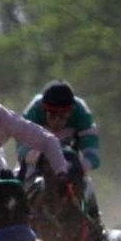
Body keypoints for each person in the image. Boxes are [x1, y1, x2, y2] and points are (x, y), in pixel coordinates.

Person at [19, 79, 103, 228]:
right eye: (52, 114)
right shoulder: (33, 110)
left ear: (71, 111)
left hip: (70, 161)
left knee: (87, 186)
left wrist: (80, 167)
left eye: (64, 115)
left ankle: (97, 226)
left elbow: (94, 155)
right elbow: (22, 150)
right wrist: (43, 159)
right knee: (17, 186)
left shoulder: (81, 111)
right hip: (39, 162)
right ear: (43, 110)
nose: (57, 121)